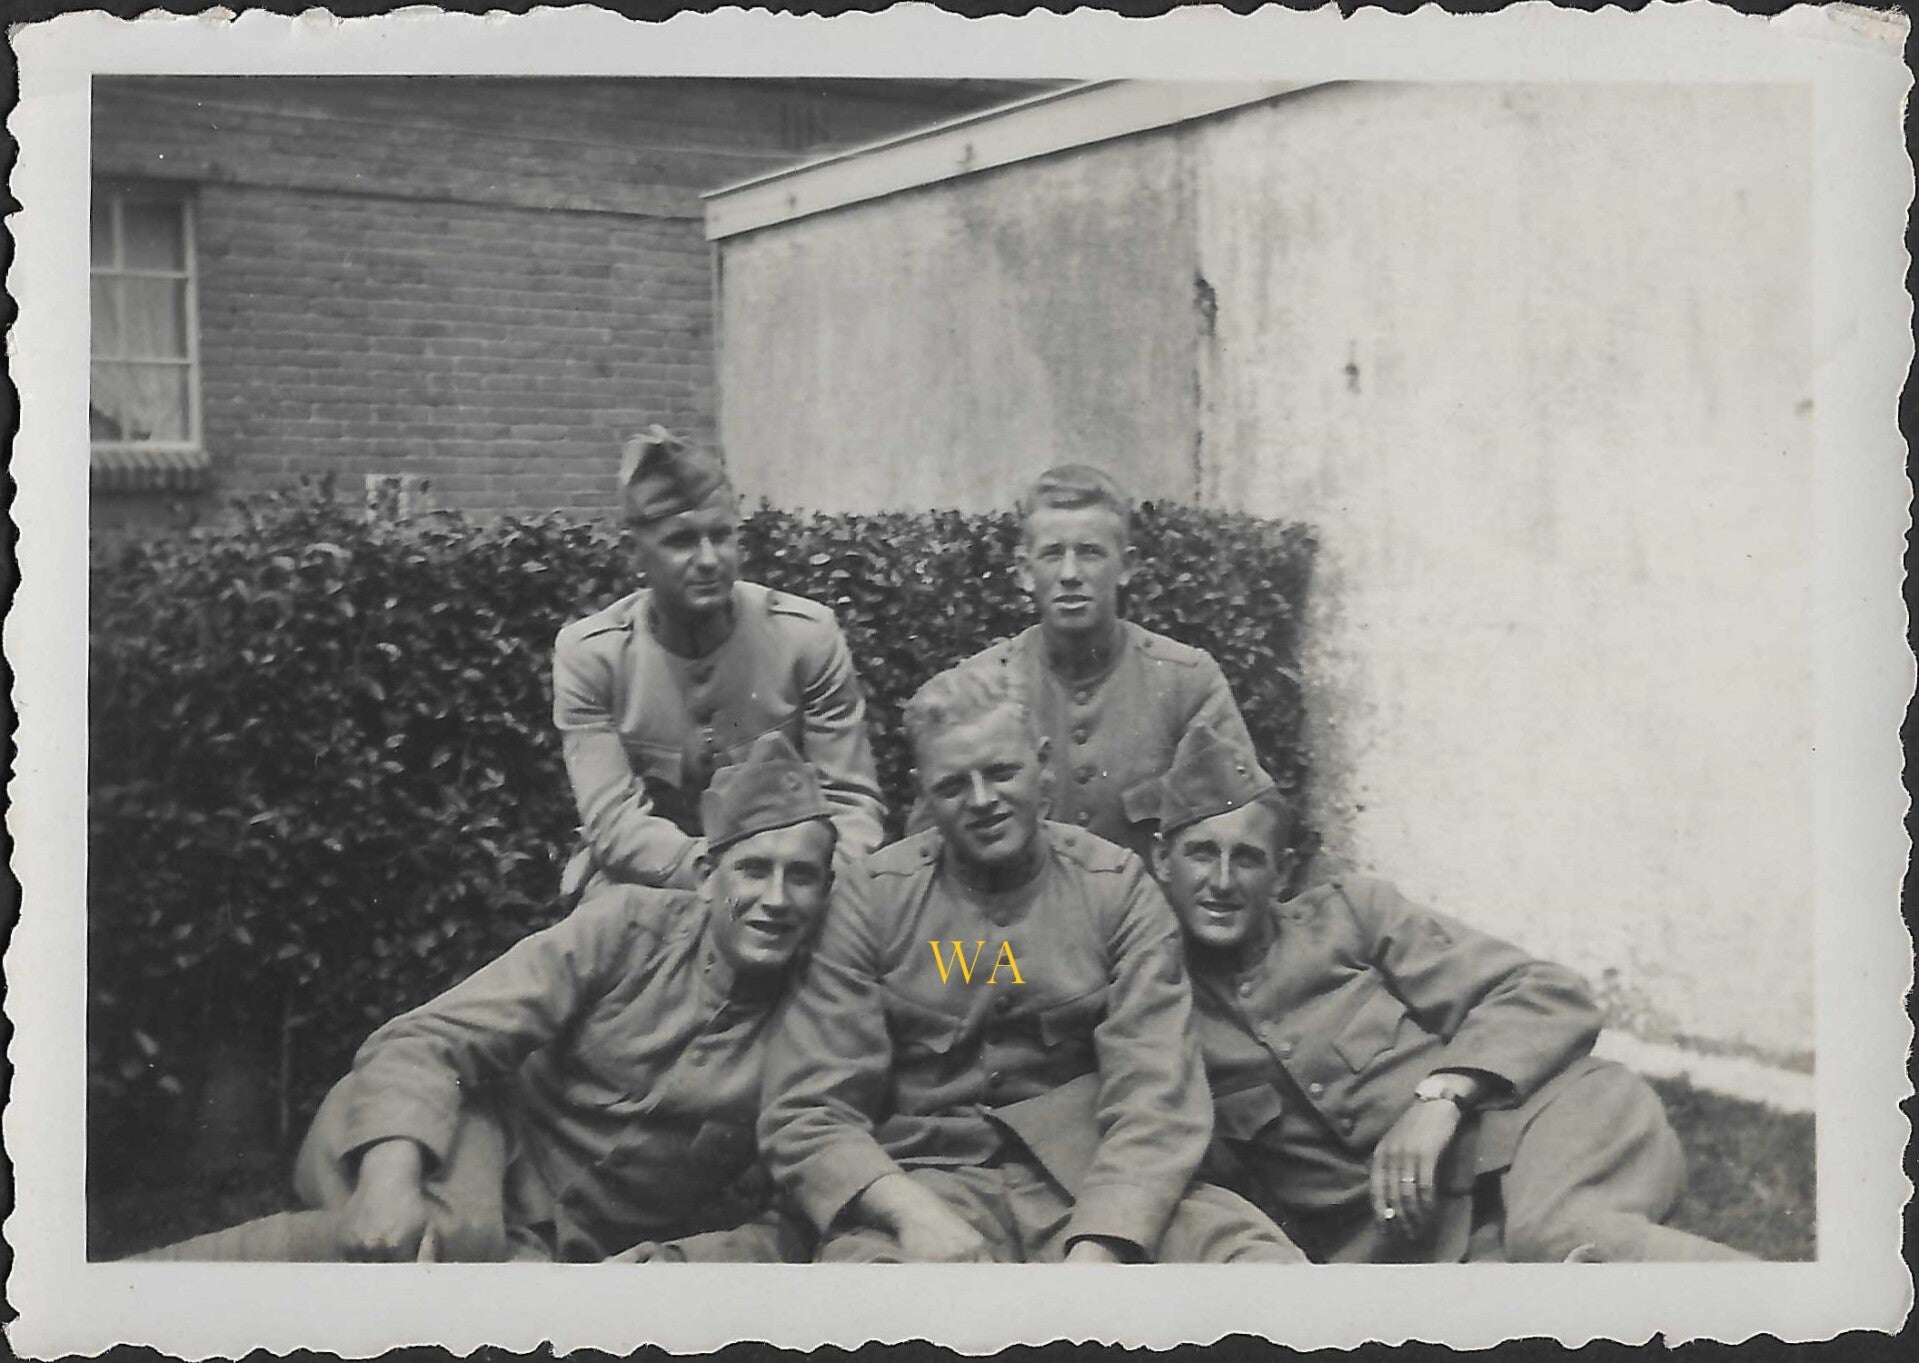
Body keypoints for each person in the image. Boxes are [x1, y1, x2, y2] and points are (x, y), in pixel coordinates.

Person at [136, 733, 838, 1263]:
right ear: (710, 874)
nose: (775, 899)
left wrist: (678, 1263)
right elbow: (426, 1039)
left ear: (826, 891)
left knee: (473, 1288)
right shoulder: (625, 925)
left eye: (801, 876)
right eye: (754, 869)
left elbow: (801, 1211)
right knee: (446, 1240)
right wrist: (389, 1175)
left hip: (548, 1251)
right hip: (444, 1135)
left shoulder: (822, 1016)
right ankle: (121, 1297)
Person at [1136, 723, 1752, 1264]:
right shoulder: (1157, 1004)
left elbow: (1545, 992)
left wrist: (1439, 1099)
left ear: (1283, 868)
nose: (1221, 881)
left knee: (1559, 1236)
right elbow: (1036, 978)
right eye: (1199, 854)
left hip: (1546, 1125)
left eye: (1245, 858)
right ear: (1162, 860)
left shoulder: (1354, 916)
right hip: (1427, 1242)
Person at [760, 666, 1303, 1263]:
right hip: (930, 1184)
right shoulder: (871, 900)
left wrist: (1105, 1240)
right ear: (922, 790)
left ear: (1043, 764)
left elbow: (1158, 1096)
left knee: (1255, 1265)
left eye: (1002, 772)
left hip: (1097, 1177)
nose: (983, 801)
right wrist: (911, 1214)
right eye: (952, 785)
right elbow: (810, 1108)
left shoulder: (1116, 890)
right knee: (870, 1299)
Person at [553, 425, 885, 894]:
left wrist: (814, 885)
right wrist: (722, 880)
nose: (709, 559)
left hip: (786, 882)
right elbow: (616, 824)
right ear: (634, 554)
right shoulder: (593, 656)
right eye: (682, 541)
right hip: (653, 884)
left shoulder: (803, 636)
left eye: (721, 535)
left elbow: (851, 804)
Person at [920, 465, 1253, 865]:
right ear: (1025, 572)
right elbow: (930, 849)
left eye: (1090, 553)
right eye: (1052, 554)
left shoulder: (1187, 682)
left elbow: (1238, 832)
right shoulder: (978, 690)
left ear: (1126, 566)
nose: (1070, 574)